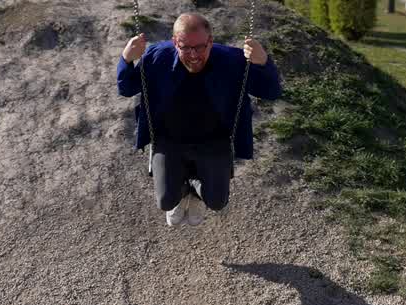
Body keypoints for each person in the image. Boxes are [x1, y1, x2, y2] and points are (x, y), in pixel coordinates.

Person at [117, 13, 283, 227]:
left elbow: (270, 92)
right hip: (169, 140)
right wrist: (127, 58)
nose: (194, 55)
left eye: (200, 47)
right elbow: (127, 88)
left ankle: (195, 191)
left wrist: (263, 62)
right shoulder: (157, 58)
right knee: (166, 201)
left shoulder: (232, 61)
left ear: (210, 41)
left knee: (217, 202)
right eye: (185, 47)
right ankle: (182, 191)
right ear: (175, 42)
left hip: (214, 140)